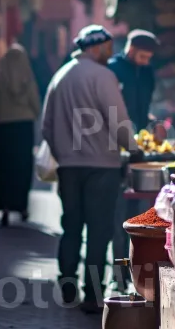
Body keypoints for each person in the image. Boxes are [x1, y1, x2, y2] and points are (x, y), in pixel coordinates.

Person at [41, 25, 136, 313]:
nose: (110, 53)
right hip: (102, 167)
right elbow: (118, 120)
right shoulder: (104, 76)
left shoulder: (60, 76)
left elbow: (46, 126)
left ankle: (67, 285)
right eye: (107, 48)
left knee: (71, 225)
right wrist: (133, 149)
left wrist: (64, 154)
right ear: (94, 48)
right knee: (99, 230)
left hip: (69, 168)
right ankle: (92, 295)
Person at [107, 29, 159, 292]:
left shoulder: (148, 72)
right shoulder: (113, 69)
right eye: (142, 56)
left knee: (139, 214)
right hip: (115, 150)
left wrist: (151, 123)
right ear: (129, 49)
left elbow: (146, 105)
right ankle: (118, 271)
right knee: (119, 215)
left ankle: (135, 270)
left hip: (139, 149)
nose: (145, 61)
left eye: (149, 57)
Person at [0, 43, 41, 227]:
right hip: (23, 128)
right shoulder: (28, 79)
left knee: (3, 168)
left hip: (2, 128)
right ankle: (22, 206)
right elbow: (36, 105)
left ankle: (5, 207)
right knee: (22, 167)